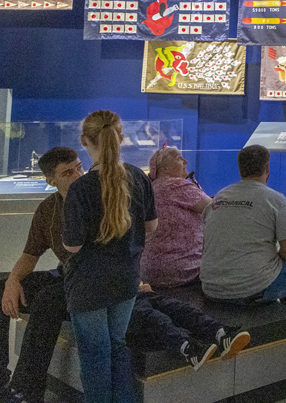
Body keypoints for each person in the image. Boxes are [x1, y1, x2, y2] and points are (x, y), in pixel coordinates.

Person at [199, 145, 286, 360]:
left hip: (211, 286)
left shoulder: (218, 198)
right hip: (250, 286)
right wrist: (273, 261)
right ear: (267, 169)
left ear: (240, 169)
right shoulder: (274, 199)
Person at [0, 147, 83, 403]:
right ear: (50, 180)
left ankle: (25, 391)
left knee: (48, 300)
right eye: (67, 172)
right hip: (66, 278)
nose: (77, 174)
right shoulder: (48, 209)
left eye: (78, 167)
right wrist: (13, 281)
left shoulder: (94, 201)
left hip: (88, 282)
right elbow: (31, 255)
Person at [63, 110, 157, 403]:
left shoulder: (79, 188)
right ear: (121, 137)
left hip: (89, 285)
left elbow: (73, 246)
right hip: (126, 279)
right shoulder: (138, 178)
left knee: (94, 354)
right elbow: (151, 226)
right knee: (118, 345)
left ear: (84, 141)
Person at [128, 286, 250, 370]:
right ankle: (189, 349)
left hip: (139, 293)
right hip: (124, 302)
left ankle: (220, 334)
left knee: (180, 308)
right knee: (157, 320)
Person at [141, 145, 211, 289]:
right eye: (179, 158)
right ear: (164, 168)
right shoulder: (177, 185)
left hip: (149, 273)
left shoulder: (152, 188)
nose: (185, 162)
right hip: (183, 272)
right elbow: (215, 209)